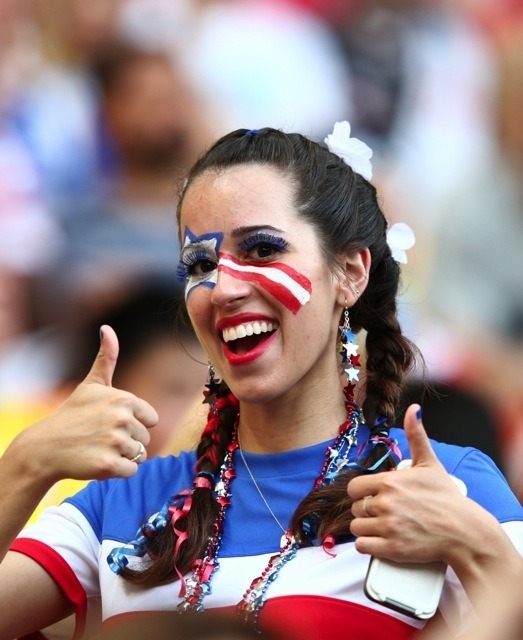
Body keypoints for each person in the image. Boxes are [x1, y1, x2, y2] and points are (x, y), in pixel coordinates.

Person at [0, 123, 521, 640]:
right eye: (200, 262)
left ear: (350, 272)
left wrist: (478, 545)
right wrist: (26, 465)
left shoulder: (446, 486)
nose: (223, 288)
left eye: (262, 250)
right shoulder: (121, 504)